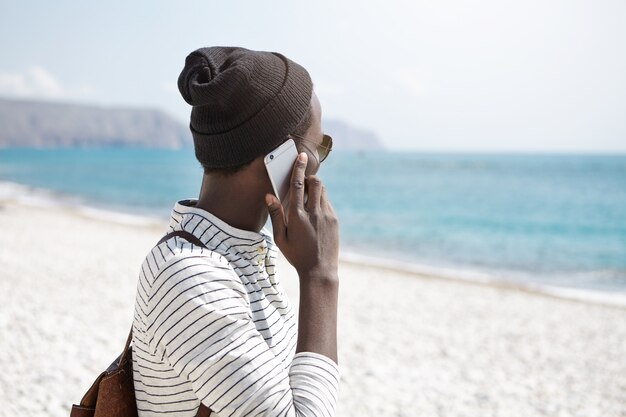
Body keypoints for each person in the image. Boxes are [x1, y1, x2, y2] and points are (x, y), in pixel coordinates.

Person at [131, 46, 340, 417]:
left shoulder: (237, 256)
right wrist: (320, 276)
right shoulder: (190, 278)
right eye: (319, 146)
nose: (319, 168)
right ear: (283, 157)